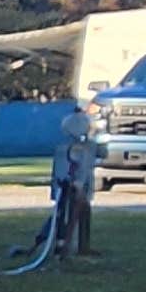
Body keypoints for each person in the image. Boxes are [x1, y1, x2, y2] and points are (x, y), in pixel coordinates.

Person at [51, 99, 98, 260]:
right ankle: (64, 245)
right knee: (67, 214)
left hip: (73, 183)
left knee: (70, 213)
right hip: (73, 184)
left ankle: (72, 245)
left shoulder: (72, 145)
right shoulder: (79, 145)